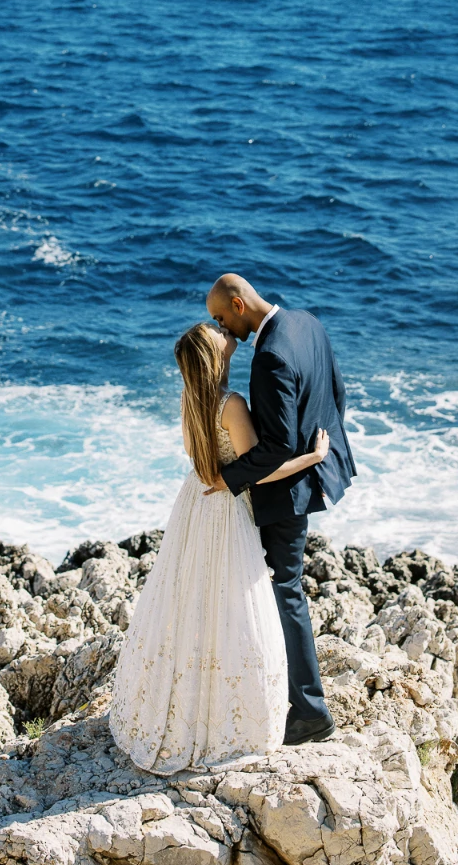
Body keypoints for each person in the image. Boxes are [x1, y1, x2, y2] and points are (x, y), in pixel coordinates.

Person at [109, 322, 330, 774]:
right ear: (216, 356)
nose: (225, 331)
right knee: (233, 604)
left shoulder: (191, 401)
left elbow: (204, 461)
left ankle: (188, 698)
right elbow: (255, 471)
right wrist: (311, 458)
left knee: (194, 599)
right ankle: (228, 708)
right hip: (226, 508)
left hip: (195, 503)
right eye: (218, 334)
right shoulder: (231, 405)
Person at [205, 274, 356, 746]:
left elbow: (272, 450)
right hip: (311, 476)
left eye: (221, 317)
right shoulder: (305, 321)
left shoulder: (269, 356)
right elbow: (338, 392)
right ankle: (280, 692)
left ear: (237, 303)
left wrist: (226, 479)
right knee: (280, 589)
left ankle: (310, 710)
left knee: (286, 593)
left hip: (285, 494)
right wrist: (322, 455)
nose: (221, 328)